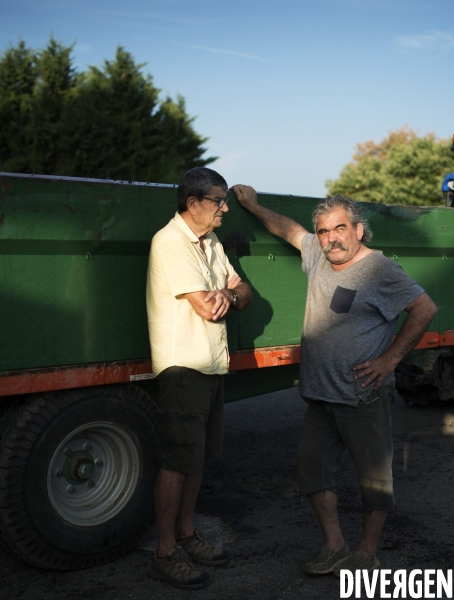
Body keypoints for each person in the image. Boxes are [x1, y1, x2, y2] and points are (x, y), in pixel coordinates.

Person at [231, 185, 436, 577]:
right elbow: (288, 230)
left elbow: (424, 308)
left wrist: (389, 360)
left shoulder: (379, 269)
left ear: (359, 230)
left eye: (339, 228)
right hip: (321, 397)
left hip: (362, 397)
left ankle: (367, 550)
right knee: (311, 472)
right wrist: (254, 206)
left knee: (373, 480)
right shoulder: (318, 256)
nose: (331, 238)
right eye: (324, 231)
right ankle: (335, 545)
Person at [146, 167, 252, 590]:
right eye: (218, 200)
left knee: (198, 458)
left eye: (225, 200)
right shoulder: (170, 242)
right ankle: (165, 550)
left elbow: (242, 291)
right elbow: (209, 308)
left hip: (210, 364)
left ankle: (187, 534)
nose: (225, 208)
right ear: (193, 204)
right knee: (176, 462)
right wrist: (228, 296)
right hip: (183, 368)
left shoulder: (208, 241)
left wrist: (229, 294)